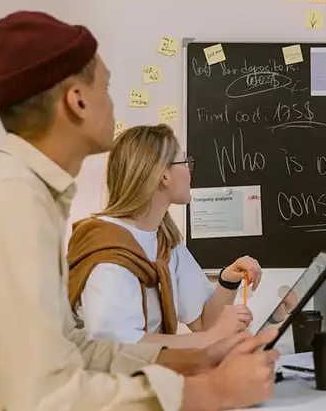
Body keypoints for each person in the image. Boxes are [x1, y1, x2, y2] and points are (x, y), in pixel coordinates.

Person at [0, 10, 278, 410]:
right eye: (106, 86)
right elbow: (44, 398)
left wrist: (197, 356)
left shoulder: (32, 194)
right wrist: (209, 392)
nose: (113, 103)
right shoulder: (14, 200)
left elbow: (75, 349)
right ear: (78, 100)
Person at [67, 124, 262, 348]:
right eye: (184, 161)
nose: (190, 170)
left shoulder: (165, 241)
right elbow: (116, 346)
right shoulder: (105, 246)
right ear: (163, 176)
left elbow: (203, 322)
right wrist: (210, 338)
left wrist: (228, 280)